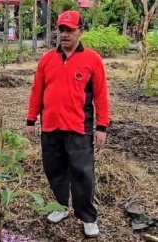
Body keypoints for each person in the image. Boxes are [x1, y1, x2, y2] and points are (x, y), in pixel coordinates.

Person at [26, 10, 110, 237]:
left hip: (79, 127)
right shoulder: (47, 59)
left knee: (83, 173)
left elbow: (101, 95)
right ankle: (61, 205)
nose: (64, 35)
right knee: (54, 169)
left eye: (70, 30)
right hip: (50, 126)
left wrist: (102, 126)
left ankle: (87, 216)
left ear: (80, 31)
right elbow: (37, 91)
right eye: (61, 30)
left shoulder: (92, 59)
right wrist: (31, 119)